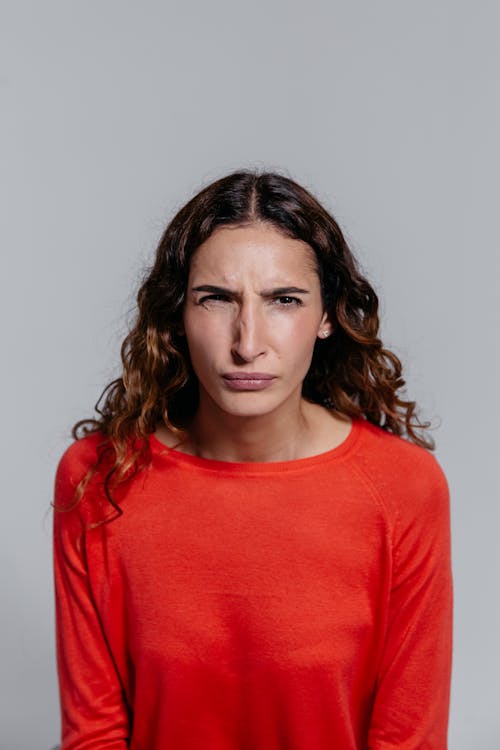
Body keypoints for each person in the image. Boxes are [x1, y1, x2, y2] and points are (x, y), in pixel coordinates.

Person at [52, 169, 453, 750]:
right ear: (177, 316)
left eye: (283, 300)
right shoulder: (96, 479)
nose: (246, 342)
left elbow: (409, 739)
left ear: (325, 317)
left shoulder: (403, 488)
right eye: (215, 299)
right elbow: (94, 734)